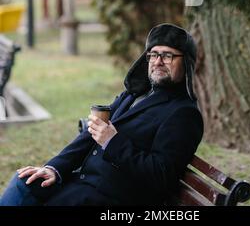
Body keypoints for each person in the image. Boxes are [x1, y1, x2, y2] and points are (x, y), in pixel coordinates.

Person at [0, 23, 203, 206]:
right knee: (24, 182)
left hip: (112, 198)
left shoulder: (183, 114)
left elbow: (161, 175)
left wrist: (112, 141)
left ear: (186, 64)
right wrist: (54, 168)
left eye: (167, 55)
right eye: (153, 54)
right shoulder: (134, 93)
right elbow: (91, 134)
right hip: (82, 184)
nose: (158, 61)